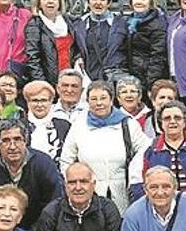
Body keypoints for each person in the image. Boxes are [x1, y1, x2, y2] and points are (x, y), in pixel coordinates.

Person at [60, 80, 152, 213]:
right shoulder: (78, 125)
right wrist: (75, 186)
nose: (99, 103)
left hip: (123, 193)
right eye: (93, 99)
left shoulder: (127, 123)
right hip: (90, 193)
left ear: (111, 99)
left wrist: (135, 178)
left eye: (103, 98)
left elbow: (145, 151)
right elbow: (66, 161)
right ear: (87, 101)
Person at [0, 118, 63, 230]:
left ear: (25, 141)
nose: (12, 146)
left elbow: (53, 206)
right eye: (6, 140)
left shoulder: (43, 163)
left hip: (37, 230)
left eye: (17, 139)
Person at [129, 100, 186, 203]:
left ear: (185, 122)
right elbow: (136, 181)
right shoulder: (148, 147)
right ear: (161, 123)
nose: (172, 121)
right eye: (167, 118)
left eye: (177, 118)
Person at [113, 0, 167, 92]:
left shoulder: (157, 23)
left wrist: (150, 82)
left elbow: (158, 55)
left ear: (150, 2)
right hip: (132, 76)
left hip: (147, 77)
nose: (139, 2)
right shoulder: (129, 22)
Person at [25, 0, 76, 87]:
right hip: (49, 82)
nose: (50, 1)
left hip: (70, 79)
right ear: (39, 3)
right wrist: (42, 83)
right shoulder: (34, 24)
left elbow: (76, 48)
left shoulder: (69, 22)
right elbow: (32, 57)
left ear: (59, 2)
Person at [72, 0, 125, 82]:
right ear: (88, 2)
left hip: (113, 75)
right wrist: (78, 57)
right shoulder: (79, 25)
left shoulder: (120, 23)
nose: (98, 3)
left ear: (108, 3)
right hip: (88, 75)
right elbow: (75, 47)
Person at [23, 80, 72, 162]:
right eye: (35, 100)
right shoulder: (19, 126)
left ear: (51, 101)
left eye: (43, 100)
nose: (39, 105)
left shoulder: (64, 126)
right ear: (27, 102)